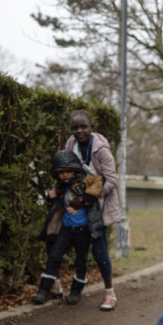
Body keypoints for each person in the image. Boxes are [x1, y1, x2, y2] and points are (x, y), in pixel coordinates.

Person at [65, 110, 121, 311]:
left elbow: (112, 179)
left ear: (92, 127)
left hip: (97, 204)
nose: (79, 131)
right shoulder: (70, 145)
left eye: (83, 127)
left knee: (99, 251)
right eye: (75, 127)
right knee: (79, 248)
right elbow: (68, 171)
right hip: (77, 201)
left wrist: (90, 196)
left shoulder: (101, 149)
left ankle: (109, 293)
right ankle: (77, 288)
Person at [32, 150, 103, 306]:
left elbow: (99, 183)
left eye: (67, 171)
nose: (64, 175)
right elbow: (52, 206)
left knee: (80, 261)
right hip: (65, 229)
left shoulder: (83, 182)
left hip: (83, 231)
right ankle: (43, 291)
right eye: (61, 172)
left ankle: (76, 292)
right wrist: (50, 197)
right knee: (54, 258)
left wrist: (83, 199)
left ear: (75, 170)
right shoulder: (61, 187)